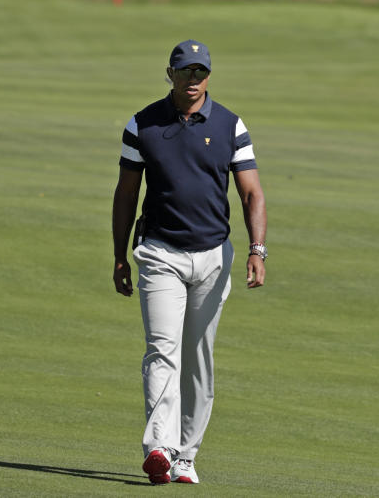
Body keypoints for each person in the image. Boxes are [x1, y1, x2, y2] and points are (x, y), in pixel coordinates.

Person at [112, 40, 267, 487]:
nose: (193, 79)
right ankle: (158, 448)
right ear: (170, 74)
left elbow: (251, 192)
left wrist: (258, 249)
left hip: (214, 256)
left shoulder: (229, 125)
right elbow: (126, 193)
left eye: (201, 72)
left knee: (198, 357)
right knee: (163, 350)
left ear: (209, 76)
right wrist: (119, 255)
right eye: (185, 71)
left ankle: (185, 455)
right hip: (160, 253)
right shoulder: (142, 124)